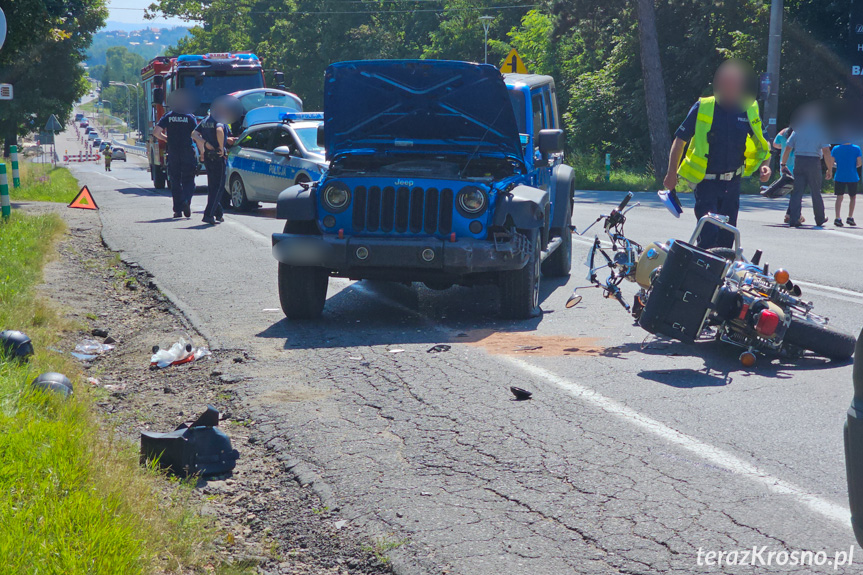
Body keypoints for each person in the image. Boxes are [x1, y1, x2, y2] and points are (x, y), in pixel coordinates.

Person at [664, 60, 772, 249]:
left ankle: (720, 278)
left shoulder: (748, 109)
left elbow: (763, 142)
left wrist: (766, 165)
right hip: (706, 183)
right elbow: (679, 140)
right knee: (709, 235)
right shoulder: (703, 106)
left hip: (733, 184)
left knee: (727, 239)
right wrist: (671, 173)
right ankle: (702, 276)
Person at [780, 104, 834, 228]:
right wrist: (829, 168)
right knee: (816, 192)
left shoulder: (798, 130)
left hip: (799, 161)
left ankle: (794, 219)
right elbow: (826, 151)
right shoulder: (820, 131)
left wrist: (783, 164)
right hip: (813, 162)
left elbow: (788, 148)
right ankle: (820, 219)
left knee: (797, 191)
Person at [153, 91, 198, 219]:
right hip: (187, 151)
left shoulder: (168, 116)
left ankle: (177, 210)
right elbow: (195, 134)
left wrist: (167, 139)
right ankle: (186, 201)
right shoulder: (189, 117)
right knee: (189, 180)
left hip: (173, 151)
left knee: (175, 181)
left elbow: (156, 132)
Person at [192, 104, 234, 225]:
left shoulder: (206, 120)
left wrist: (205, 144)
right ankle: (208, 214)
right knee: (219, 187)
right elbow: (219, 130)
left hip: (208, 156)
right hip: (218, 156)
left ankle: (218, 212)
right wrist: (221, 147)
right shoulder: (220, 119)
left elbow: (194, 134)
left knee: (212, 187)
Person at [830, 141, 862, 227]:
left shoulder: (836, 149)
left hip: (840, 175)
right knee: (853, 197)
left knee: (839, 197)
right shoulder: (856, 148)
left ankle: (837, 217)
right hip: (852, 175)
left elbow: (831, 163)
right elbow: (859, 163)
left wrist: (839, 165)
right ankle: (850, 217)